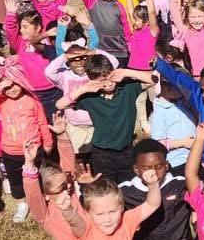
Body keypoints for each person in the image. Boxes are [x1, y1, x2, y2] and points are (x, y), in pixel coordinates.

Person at [55, 56, 154, 184]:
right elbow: (59, 105)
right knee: (106, 189)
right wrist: (84, 89)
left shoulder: (127, 87)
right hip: (102, 154)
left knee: (130, 187)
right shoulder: (89, 97)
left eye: (110, 77)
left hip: (127, 150)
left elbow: (155, 79)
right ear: (93, 80)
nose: (109, 84)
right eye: (102, 81)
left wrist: (126, 72)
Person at [0, 62, 53, 223]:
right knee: (15, 180)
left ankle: (39, 200)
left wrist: (47, 142)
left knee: (38, 176)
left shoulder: (32, 101)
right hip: (11, 151)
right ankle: (22, 204)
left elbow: (42, 123)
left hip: (34, 150)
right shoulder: (1, 102)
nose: (11, 90)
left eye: (14, 85)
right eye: (7, 87)